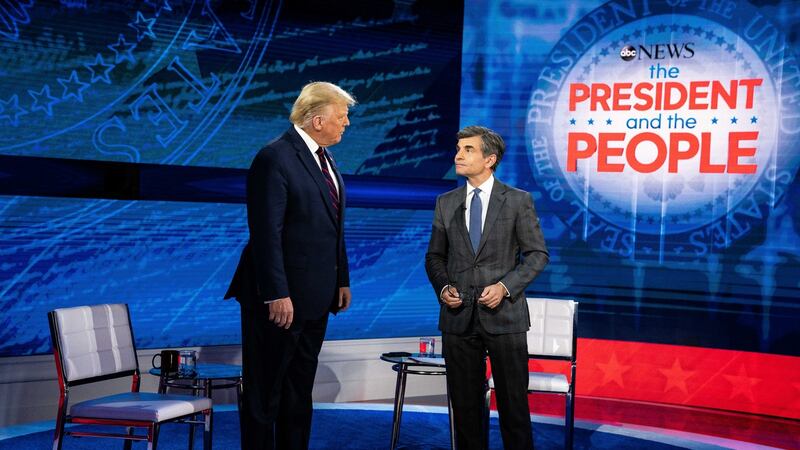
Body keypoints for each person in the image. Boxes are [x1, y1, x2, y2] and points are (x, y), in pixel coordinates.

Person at [225, 81, 355, 450]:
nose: (345, 124)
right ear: (317, 120)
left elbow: (332, 225)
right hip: (279, 302)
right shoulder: (275, 158)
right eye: (341, 117)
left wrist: (341, 279)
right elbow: (266, 233)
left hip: (316, 298)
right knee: (265, 392)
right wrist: (276, 292)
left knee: (299, 391)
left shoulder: (325, 159)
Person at [425, 126, 549, 449]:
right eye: (458, 148)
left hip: (505, 317)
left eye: (468, 149)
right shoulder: (445, 203)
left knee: (513, 409)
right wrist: (443, 288)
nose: (458, 155)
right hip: (458, 317)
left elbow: (537, 255)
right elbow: (434, 257)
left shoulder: (518, 201)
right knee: (465, 410)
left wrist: (506, 286)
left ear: (490, 159)